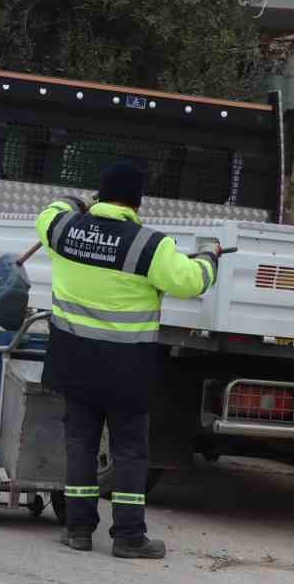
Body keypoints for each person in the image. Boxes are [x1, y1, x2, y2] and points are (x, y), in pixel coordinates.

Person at [35, 161, 220, 559]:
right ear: (138, 203)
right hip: (126, 369)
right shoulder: (149, 245)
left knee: (80, 445)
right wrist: (211, 256)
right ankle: (129, 537)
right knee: (130, 451)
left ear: (100, 195)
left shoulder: (66, 230)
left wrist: (76, 201)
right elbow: (191, 281)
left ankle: (78, 529)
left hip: (74, 361)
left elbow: (48, 214)